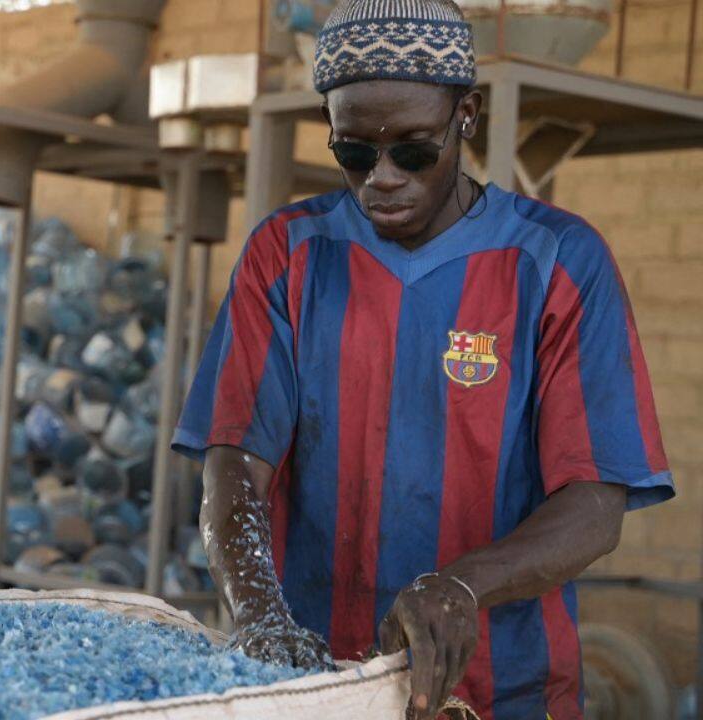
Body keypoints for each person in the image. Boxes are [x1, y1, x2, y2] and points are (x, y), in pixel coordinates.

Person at [172, 1, 675, 717]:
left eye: (412, 150)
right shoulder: (286, 254)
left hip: (507, 691)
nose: (381, 177)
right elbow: (234, 466)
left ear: (465, 115)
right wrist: (258, 615)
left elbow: (595, 504)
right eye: (354, 152)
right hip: (315, 684)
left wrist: (463, 585)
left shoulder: (558, 261)